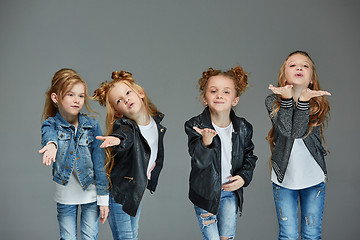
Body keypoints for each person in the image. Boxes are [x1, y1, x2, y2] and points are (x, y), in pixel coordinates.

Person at [184, 66, 258, 240]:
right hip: (205, 194)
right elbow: (198, 160)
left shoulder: (244, 127)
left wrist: (243, 178)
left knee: (227, 237)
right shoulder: (195, 125)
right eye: (213, 91)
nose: (219, 95)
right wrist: (206, 142)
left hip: (230, 192)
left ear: (235, 100)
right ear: (204, 98)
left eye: (226, 92)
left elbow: (250, 157)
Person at [93, 69, 166, 240]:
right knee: (127, 238)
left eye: (127, 93)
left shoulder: (155, 122)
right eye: (119, 100)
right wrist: (117, 140)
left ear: (139, 93)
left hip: (135, 192)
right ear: (118, 113)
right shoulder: (126, 126)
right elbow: (125, 136)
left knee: (132, 235)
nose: (126, 99)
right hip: (120, 194)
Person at [265, 50, 331, 239]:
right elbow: (288, 131)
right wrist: (287, 99)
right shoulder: (273, 101)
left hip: (313, 178)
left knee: (311, 234)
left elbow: (300, 132)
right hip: (284, 179)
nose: (299, 67)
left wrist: (303, 101)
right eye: (292, 65)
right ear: (284, 76)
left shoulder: (317, 103)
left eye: (305, 65)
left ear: (311, 78)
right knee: (288, 235)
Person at [38, 68, 109, 240]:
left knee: (89, 237)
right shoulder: (51, 124)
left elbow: (100, 163)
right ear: (56, 98)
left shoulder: (92, 125)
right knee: (67, 238)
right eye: (71, 95)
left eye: (81, 95)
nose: (77, 100)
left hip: (91, 193)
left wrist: (103, 198)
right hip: (65, 196)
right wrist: (52, 145)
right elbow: (49, 136)